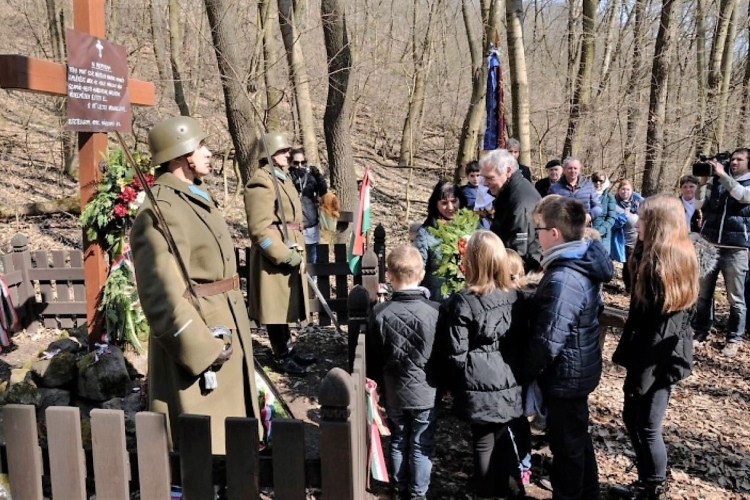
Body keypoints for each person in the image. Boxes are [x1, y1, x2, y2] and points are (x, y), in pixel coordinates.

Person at [131, 116, 261, 454]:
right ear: (180, 155)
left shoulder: (193, 195)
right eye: (200, 146)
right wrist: (202, 349)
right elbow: (159, 296)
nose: (208, 152)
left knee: (231, 434)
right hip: (202, 333)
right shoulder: (161, 209)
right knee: (204, 444)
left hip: (225, 321)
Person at [521, 197, 614, 500]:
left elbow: (549, 341)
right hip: (576, 368)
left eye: (539, 229)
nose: (537, 235)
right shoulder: (575, 261)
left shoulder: (564, 277)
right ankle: (588, 492)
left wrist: (522, 371)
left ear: (555, 234)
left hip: (566, 375)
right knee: (576, 439)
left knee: (567, 449)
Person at [610, 194, 699, 500]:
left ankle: (653, 486)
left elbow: (664, 330)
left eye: (644, 218)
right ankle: (647, 478)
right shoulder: (647, 254)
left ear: (660, 224)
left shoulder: (669, 265)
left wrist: (643, 375)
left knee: (647, 425)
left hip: (659, 358)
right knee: (631, 417)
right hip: (644, 351)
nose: (638, 221)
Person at [430, 230, 526, 500]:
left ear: (472, 261)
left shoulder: (464, 302)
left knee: (483, 442)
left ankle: (485, 493)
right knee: (502, 436)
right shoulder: (515, 296)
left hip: (477, 380)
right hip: (508, 377)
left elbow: (456, 352)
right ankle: (500, 491)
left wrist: (452, 382)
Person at [367, 245, 440, 500]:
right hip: (426, 390)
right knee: (422, 442)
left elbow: (374, 356)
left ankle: (398, 488)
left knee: (398, 438)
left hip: (394, 388)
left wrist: (376, 386)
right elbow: (442, 354)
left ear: (389, 275)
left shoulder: (379, 313)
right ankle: (418, 493)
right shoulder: (436, 311)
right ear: (421, 275)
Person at [245, 131, 315, 376]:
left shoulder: (281, 177)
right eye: (283, 150)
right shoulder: (261, 181)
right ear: (269, 153)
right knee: (275, 307)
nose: (288, 154)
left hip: (289, 245)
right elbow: (258, 228)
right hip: (273, 255)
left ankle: (288, 350)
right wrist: (281, 254)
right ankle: (281, 356)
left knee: (284, 305)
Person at [692, 148, 750, 356]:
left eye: (739, 159)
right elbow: (698, 203)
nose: (734, 162)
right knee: (703, 293)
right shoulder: (717, 181)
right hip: (710, 244)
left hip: (736, 248)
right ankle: (701, 331)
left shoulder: (745, 184)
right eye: (732, 159)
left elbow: (742, 196)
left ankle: (733, 338)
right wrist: (705, 180)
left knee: (736, 297)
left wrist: (722, 175)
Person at [480, 149, 542, 272]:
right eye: (483, 177)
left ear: (508, 171)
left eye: (490, 178)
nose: (485, 183)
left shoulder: (520, 203)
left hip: (520, 274)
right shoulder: (509, 193)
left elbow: (518, 254)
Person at [414, 180, 467, 301]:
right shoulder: (426, 234)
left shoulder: (472, 227)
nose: (450, 207)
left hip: (466, 297)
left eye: (454, 201)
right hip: (437, 300)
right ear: (436, 204)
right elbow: (417, 270)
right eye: (444, 203)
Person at [288, 148, 328, 264]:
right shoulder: (287, 178)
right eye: (296, 163)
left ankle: (312, 280)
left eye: (302, 162)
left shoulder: (310, 177)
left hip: (310, 222)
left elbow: (323, 192)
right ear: (290, 162)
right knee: (297, 258)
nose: (299, 166)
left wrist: (318, 176)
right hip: (294, 224)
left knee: (311, 258)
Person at [549, 157, 602, 224]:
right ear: (564, 170)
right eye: (570, 168)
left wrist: (589, 215)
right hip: (563, 226)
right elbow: (549, 209)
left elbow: (598, 206)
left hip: (583, 226)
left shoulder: (588, 186)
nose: (573, 171)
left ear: (579, 170)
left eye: (575, 168)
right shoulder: (554, 188)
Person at [614, 179, 644, 292]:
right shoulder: (614, 203)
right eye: (622, 189)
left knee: (639, 263)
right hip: (624, 240)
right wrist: (623, 217)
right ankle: (629, 288)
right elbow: (613, 222)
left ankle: (638, 287)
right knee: (628, 265)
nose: (625, 192)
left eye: (628, 189)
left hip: (638, 238)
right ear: (618, 190)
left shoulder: (637, 202)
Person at [591, 171, 617, 255]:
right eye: (595, 180)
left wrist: (600, 231)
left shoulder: (610, 198)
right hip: (587, 235)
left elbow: (611, 218)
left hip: (603, 237)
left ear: (605, 181)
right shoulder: (587, 196)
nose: (598, 183)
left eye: (601, 181)